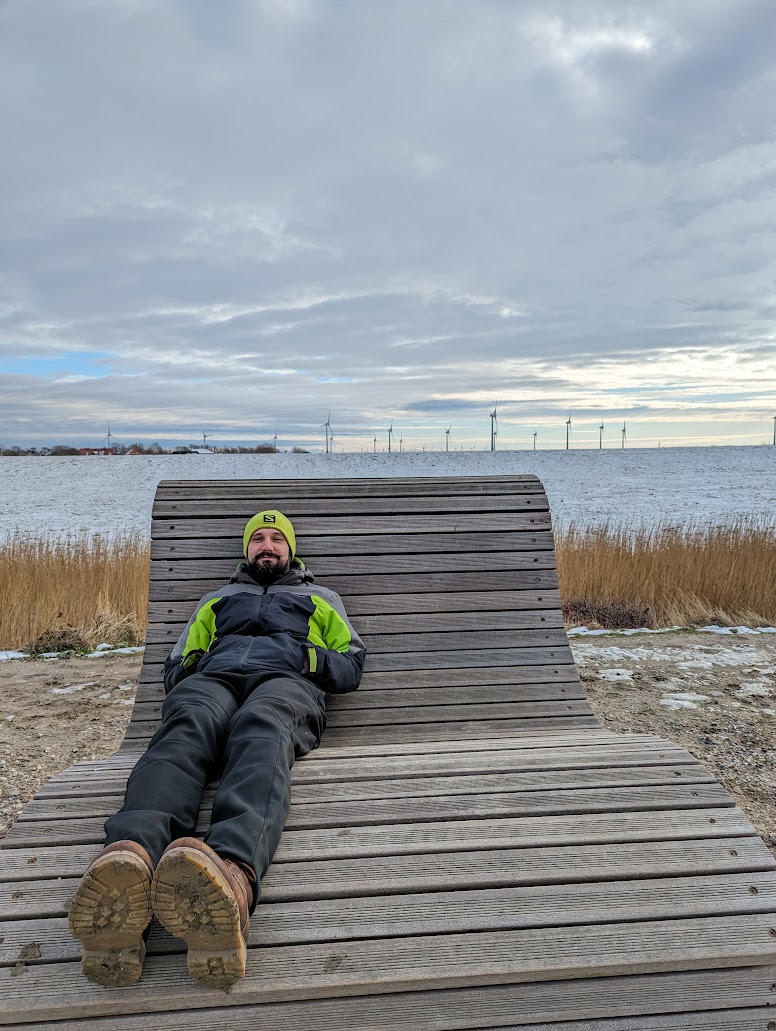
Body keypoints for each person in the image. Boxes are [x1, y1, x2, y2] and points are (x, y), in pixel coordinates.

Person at [68, 510, 366, 989]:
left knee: (262, 730)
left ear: (291, 549)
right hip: (214, 682)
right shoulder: (216, 600)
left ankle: (232, 878)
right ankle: (130, 865)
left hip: (284, 685)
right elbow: (175, 668)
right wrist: (200, 672)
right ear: (246, 550)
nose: (267, 547)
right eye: (258, 540)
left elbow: (351, 665)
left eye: (276, 539)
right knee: (184, 730)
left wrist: (300, 655)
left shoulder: (321, 598)